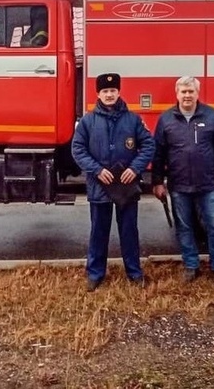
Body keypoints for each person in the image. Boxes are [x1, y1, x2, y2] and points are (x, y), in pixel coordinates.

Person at [71, 72, 156, 292]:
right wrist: (96, 169)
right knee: (99, 231)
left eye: (113, 91)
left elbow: (148, 145)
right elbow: (77, 149)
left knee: (129, 230)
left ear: (119, 92)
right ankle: (95, 274)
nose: (109, 94)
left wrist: (135, 168)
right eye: (105, 91)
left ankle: (135, 273)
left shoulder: (133, 119)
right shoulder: (88, 121)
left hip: (126, 186)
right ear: (98, 93)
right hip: (100, 186)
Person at [151, 76, 214, 286]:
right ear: (176, 94)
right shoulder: (166, 119)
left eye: (191, 91)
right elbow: (158, 153)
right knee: (184, 227)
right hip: (179, 184)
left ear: (198, 93)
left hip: (208, 184)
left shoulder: (212, 115)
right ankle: (191, 266)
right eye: (183, 92)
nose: (187, 95)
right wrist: (158, 181)